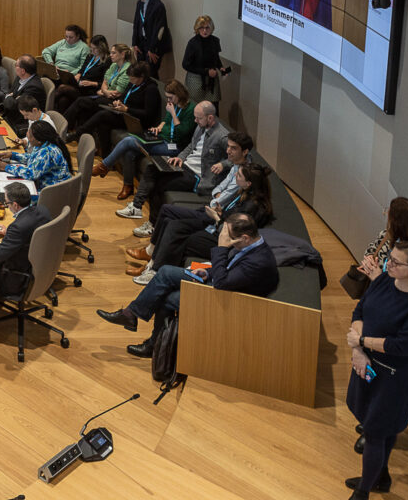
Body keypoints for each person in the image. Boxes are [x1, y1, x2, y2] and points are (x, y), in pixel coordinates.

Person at [338, 240, 408, 500]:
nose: (387, 265)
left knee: (376, 431)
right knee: (375, 426)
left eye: (395, 262)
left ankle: (362, 497)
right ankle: (380, 476)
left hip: (394, 380)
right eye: (389, 260)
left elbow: (401, 345)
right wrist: (358, 350)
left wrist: (361, 341)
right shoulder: (383, 282)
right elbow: (360, 312)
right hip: (366, 364)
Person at [97, 213, 279, 358]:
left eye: (228, 237)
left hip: (231, 302)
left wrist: (222, 248)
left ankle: (152, 343)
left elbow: (223, 284)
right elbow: (230, 269)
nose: (225, 239)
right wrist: (208, 272)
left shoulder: (259, 261)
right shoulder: (248, 245)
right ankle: (132, 317)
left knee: (167, 297)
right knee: (166, 272)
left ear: (245, 238)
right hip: (219, 282)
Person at [130, 162, 274, 284]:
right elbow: (232, 218)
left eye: (239, 175)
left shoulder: (252, 205)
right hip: (217, 227)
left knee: (177, 231)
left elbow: (234, 231)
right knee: (170, 222)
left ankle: (156, 271)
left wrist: (217, 217)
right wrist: (221, 213)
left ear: (248, 183)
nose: (235, 175)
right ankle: (153, 266)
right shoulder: (245, 194)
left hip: (224, 241)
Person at [115, 100, 228, 224]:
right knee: (152, 168)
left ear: (210, 117)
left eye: (198, 118)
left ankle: (152, 225)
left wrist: (223, 164)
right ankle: (136, 207)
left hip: (197, 177)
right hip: (184, 166)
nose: (195, 121)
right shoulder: (201, 127)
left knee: (158, 184)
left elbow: (244, 158)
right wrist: (180, 157)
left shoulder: (222, 136)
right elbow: (191, 145)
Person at [92, 80, 196, 202]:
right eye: (167, 97)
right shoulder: (173, 104)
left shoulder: (190, 109)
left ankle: (104, 166)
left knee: (129, 141)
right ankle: (128, 186)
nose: (168, 101)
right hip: (161, 139)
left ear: (178, 95)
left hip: (174, 146)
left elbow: (181, 132)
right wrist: (158, 128)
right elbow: (165, 121)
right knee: (129, 152)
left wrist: (173, 113)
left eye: (170, 97)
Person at [0, 181, 52, 304]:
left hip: (16, 278)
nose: (7, 206)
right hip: (39, 265)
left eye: (7, 203)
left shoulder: (18, 227)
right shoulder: (42, 210)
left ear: (15, 205)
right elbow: (32, 233)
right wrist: (9, 234)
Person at [67, 61, 160, 156]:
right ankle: (105, 157)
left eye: (132, 77)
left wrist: (127, 109)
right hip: (124, 114)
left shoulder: (151, 89)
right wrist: (118, 102)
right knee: (103, 123)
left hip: (137, 121)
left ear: (142, 76)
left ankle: (76, 134)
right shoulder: (133, 83)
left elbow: (148, 114)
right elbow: (125, 97)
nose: (130, 79)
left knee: (103, 115)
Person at [62, 43, 133, 131]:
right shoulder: (114, 65)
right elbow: (105, 81)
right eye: (111, 52)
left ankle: (63, 127)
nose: (110, 55)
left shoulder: (127, 68)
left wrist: (103, 92)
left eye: (114, 53)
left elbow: (118, 92)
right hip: (105, 95)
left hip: (114, 101)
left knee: (81, 101)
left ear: (122, 54)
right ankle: (72, 131)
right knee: (79, 104)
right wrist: (105, 91)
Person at [0, 120, 72, 190]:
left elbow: (31, 174)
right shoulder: (42, 144)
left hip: (53, 192)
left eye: (30, 135)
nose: (27, 135)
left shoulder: (47, 153)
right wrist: (12, 155)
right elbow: (32, 158)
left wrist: (7, 167)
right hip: (44, 185)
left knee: (14, 197)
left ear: (38, 141)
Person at [51, 35, 111, 114]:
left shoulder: (107, 61)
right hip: (80, 85)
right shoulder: (90, 56)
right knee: (63, 100)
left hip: (90, 90)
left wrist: (93, 83)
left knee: (62, 87)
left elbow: (106, 82)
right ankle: (63, 124)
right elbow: (82, 70)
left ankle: (45, 107)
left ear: (101, 48)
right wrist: (78, 75)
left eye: (95, 48)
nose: (92, 50)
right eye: (91, 47)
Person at [181, 15, 227, 108]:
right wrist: (206, 72)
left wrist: (221, 67)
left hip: (211, 80)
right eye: (201, 28)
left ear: (211, 28)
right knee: (196, 109)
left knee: (212, 109)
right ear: (197, 29)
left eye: (207, 28)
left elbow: (216, 58)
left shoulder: (215, 41)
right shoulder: (193, 43)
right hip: (196, 80)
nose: (204, 31)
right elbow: (185, 64)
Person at [1, 55, 47, 136]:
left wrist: (9, 96)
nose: (15, 67)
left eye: (16, 65)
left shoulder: (34, 87)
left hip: (21, 122)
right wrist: (11, 97)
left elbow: (12, 105)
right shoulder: (20, 77)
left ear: (23, 71)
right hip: (10, 116)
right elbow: (10, 95)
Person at [132, 0, 169, 77]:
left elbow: (159, 29)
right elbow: (136, 24)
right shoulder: (139, 3)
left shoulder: (158, 5)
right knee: (140, 71)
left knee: (151, 72)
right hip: (141, 44)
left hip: (153, 45)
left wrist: (152, 49)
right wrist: (134, 44)